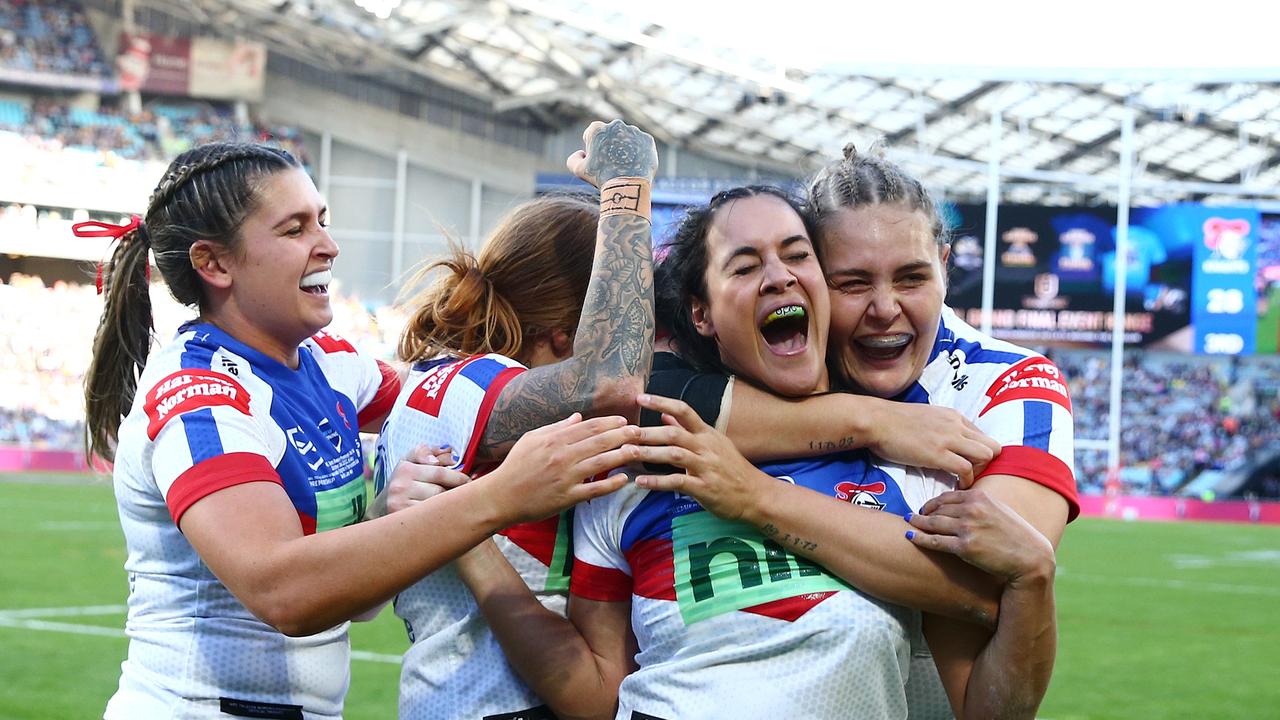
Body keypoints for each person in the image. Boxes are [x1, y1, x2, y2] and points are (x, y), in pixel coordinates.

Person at [86, 141, 635, 719]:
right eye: (294, 229)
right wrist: (499, 497)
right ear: (214, 264)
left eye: (321, 220)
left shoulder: (329, 363)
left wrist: (386, 515)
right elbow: (284, 592)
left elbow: (443, 403)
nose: (328, 244)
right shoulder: (199, 394)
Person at [628, 146, 1077, 718]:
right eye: (853, 282)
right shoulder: (777, 346)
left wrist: (757, 495)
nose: (884, 309)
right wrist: (869, 419)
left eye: (912, 277)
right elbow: (625, 395)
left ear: (944, 264)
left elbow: (985, 587)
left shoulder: (1011, 386)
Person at [371, 119, 658, 718]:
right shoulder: (470, 384)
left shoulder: (443, 382)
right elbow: (612, 379)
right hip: (490, 703)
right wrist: (625, 189)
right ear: (567, 329)